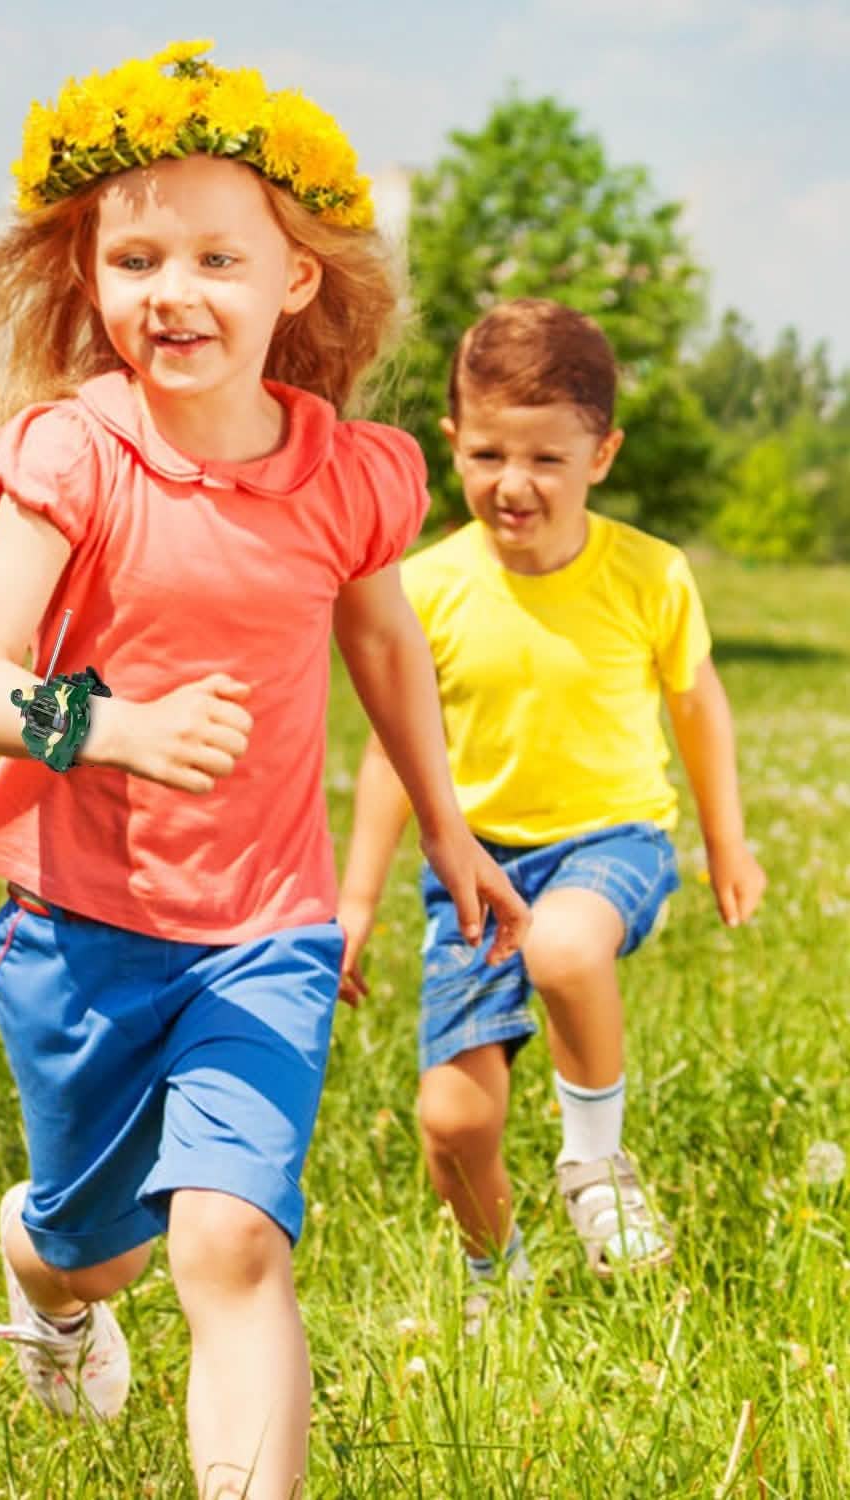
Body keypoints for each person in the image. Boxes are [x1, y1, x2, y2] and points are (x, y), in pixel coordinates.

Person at [0, 41, 528, 1499]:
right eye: (135, 259)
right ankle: (46, 1278)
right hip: (81, 931)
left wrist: (447, 830)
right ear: (89, 275)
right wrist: (115, 727)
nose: (172, 291)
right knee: (99, 1243)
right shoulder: (77, 457)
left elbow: (384, 648)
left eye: (214, 254)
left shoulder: (350, 471)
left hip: (267, 930)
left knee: (230, 1239)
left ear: (296, 280)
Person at [337, 299, 766, 1320]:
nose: (513, 484)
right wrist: (355, 898)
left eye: (547, 460)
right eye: (487, 453)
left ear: (602, 454)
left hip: (611, 838)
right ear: (451, 442)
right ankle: (500, 1283)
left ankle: (595, 1164)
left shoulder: (649, 574)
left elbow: (697, 706)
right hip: (474, 867)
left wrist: (726, 839)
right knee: (453, 1125)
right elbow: (396, 753)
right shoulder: (428, 587)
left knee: (566, 952)